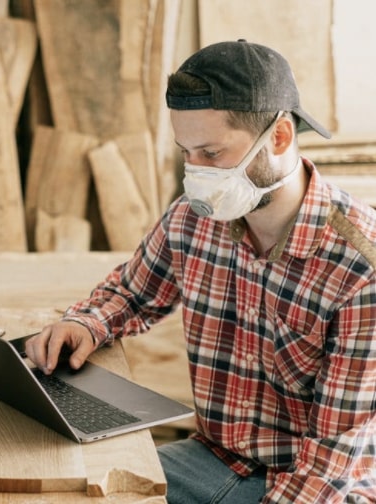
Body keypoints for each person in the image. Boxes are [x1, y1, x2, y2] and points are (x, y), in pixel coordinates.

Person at [25, 39, 376, 503]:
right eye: (184, 152)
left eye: (211, 154)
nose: (196, 173)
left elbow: (333, 456)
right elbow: (132, 295)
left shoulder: (360, 266)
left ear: (280, 137)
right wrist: (84, 324)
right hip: (212, 458)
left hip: (318, 485)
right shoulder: (194, 218)